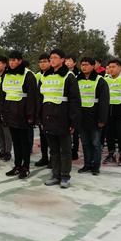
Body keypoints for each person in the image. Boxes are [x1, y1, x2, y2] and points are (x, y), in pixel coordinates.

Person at [38, 49, 82, 188]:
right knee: (53, 150)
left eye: (55, 57)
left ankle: (65, 176)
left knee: (65, 150)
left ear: (62, 60)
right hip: (47, 117)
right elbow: (40, 98)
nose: (52, 60)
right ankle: (55, 175)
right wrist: (40, 117)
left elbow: (75, 100)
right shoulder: (44, 76)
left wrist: (73, 121)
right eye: (51, 58)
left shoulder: (69, 76)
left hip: (63, 118)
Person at [0, 50, 38, 179]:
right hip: (10, 113)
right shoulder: (6, 75)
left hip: (23, 115)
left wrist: (30, 115)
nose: (12, 62)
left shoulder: (28, 75)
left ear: (20, 61)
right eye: (10, 60)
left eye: (14, 60)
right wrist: (2, 111)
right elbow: (2, 95)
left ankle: (25, 167)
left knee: (24, 143)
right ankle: (17, 166)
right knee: (16, 142)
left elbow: (32, 97)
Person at [77, 57, 109, 175]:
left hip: (95, 117)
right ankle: (87, 164)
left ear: (92, 66)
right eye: (82, 65)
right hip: (81, 117)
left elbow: (104, 102)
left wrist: (102, 119)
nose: (84, 67)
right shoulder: (77, 79)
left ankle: (95, 166)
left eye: (86, 65)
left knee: (95, 143)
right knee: (85, 143)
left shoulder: (100, 80)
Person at [34, 53, 51, 167]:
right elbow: (38, 96)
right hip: (42, 111)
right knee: (43, 137)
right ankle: (44, 157)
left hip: (53, 111)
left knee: (52, 138)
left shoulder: (54, 76)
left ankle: (53, 159)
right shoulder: (40, 76)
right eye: (40, 62)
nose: (42, 64)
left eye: (45, 61)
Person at [64, 54, 81, 161]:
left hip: (77, 104)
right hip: (66, 106)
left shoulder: (79, 75)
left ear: (74, 63)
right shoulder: (63, 74)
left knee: (75, 131)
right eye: (66, 61)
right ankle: (68, 150)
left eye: (69, 61)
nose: (67, 63)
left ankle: (74, 151)